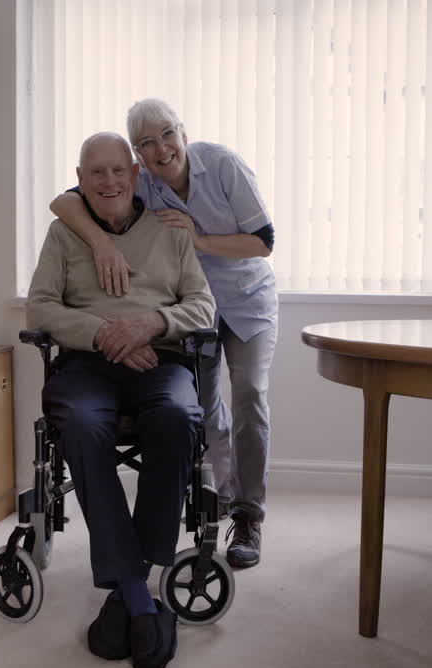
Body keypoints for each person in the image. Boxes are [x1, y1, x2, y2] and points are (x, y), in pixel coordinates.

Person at [50, 98, 277, 569]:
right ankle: (218, 499)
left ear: (183, 133)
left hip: (244, 298)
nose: (161, 149)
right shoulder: (140, 182)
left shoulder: (223, 166)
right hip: (193, 311)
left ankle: (249, 513)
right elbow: (66, 201)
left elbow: (264, 241)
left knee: (249, 394)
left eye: (167, 134)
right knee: (206, 409)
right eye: (146, 143)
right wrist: (100, 247)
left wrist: (199, 240)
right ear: (139, 156)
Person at [26, 131, 216, 668]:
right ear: (79, 181)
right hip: (87, 364)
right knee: (83, 424)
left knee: (180, 417)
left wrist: (152, 324)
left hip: (158, 360)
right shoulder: (64, 236)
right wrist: (107, 333)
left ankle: (129, 588)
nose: (108, 181)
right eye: (95, 173)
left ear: (135, 175)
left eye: (117, 171)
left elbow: (201, 303)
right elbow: (40, 306)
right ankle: (137, 594)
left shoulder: (170, 233)